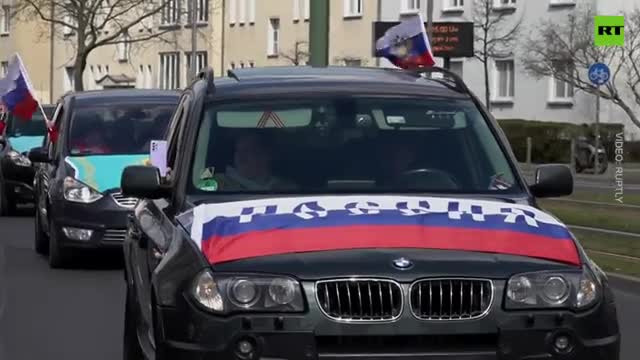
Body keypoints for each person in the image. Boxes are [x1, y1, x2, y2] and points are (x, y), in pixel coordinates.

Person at [209, 133, 296, 191]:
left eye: (247, 151)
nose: (240, 156)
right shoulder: (218, 182)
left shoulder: (287, 189)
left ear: (266, 155)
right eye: (238, 151)